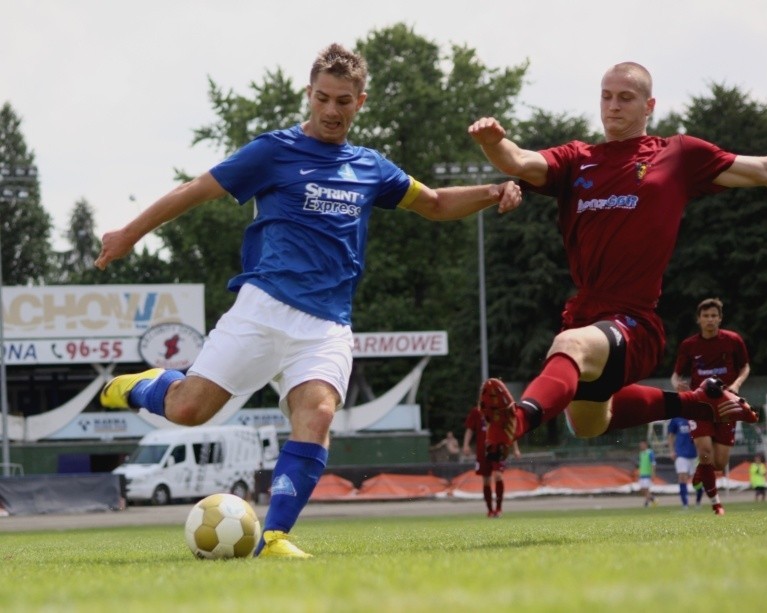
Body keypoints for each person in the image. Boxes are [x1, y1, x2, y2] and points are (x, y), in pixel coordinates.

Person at [93, 43, 522, 559]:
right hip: (262, 308)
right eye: (323, 98)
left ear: (360, 102)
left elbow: (431, 203)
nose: (331, 110)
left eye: (343, 100)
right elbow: (196, 189)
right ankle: (142, 386)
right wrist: (129, 233)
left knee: (317, 415)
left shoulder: (371, 167)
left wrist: (492, 192)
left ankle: (274, 538)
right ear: (309, 95)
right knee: (188, 409)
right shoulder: (272, 152)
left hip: (326, 326)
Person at [467, 61, 767, 502]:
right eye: (606, 95)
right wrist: (494, 142)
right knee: (588, 423)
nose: (613, 105)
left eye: (625, 97)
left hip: (634, 322)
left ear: (650, 106)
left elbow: (765, 170)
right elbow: (519, 160)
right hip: (585, 314)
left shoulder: (676, 155)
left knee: (569, 347)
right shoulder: (576, 160)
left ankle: (517, 421)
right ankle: (697, 402)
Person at [671, 297, 751, 515]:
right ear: (699, 319)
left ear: (720, 318)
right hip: (699, 404)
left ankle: (702, 471)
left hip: (727, 404)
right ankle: (716, 504)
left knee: (719, 462)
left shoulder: (733, 340)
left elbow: (745, 367)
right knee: (704, 451)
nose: (710, 320)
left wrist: (735, 385)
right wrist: (678, 385)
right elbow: (676, 375)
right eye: (705, 316)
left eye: (714, 316)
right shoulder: (689, 345)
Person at [462, 405, 521, 517]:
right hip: (483, 451)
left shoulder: (500, 411)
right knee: (486, 480)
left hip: (497, 448)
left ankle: (499, 508)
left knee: (498, 475)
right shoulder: (477, 412)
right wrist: (466, 445)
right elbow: (469, 429)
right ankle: (490, 510)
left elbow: (509, 429)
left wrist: (515, 449)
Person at [667, 416, 698, 509]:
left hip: (695, 453)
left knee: (698, 479)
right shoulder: (676, 419)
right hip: (681, 454)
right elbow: (671, 435)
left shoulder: (696, 416)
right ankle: (685, 504)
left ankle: (698, 502)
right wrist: (671, 450)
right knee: (682, 477)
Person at [637, 440, 657, 507]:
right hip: (642, 474)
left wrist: (653, 473)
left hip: (648, 474)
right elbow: (641, 465)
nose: (641, 446)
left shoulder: (650, 452)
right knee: (643, 490)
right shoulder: (641, 453)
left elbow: (653, 463)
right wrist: (639, 473)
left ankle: (646, 503)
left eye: (642, 444)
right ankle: (653, 499)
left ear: (646, 444)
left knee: (646, 489)